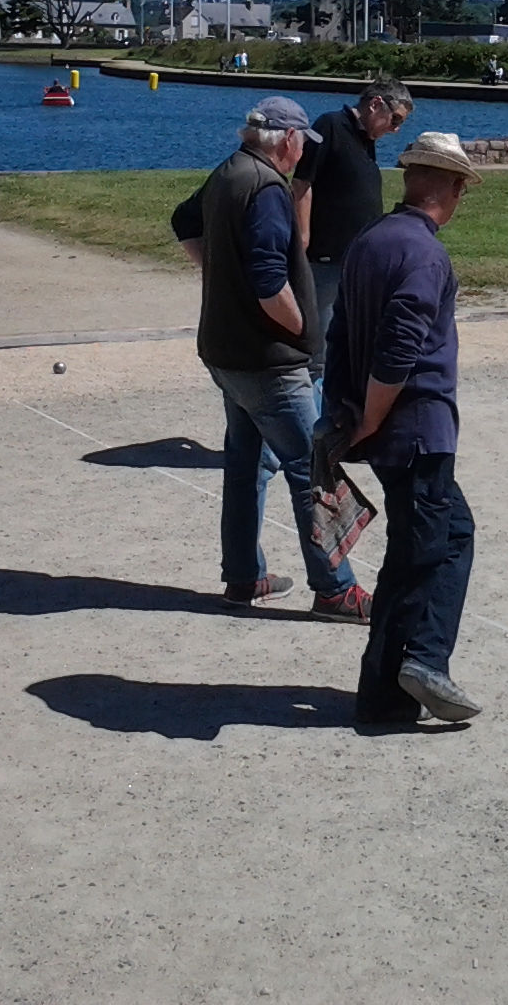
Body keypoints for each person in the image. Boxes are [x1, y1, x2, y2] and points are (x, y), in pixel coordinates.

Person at [171, 96, 372, 622]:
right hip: (266, 362)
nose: (304, 150)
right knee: (314, 472)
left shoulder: (226, 173)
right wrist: (305, 328)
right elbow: (267, 283)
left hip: (226, 353)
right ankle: (335, 590)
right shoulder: (264, 189)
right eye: (302, 140)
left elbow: (182, 220)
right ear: (286, 140)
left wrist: (217, 275)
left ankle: (243, 577)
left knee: (245, 465)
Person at [324, 131, 482, 725]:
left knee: (451, 533)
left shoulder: (372, 238)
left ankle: (420, 663)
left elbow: (339, 331)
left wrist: (343, 408)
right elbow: (397, 349)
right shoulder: (424, 254)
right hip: (415, 429)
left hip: (393, 429)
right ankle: (398, 683)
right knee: (418, 556)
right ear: (455, 188)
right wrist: (367, 415)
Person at [293, 77, 414, 374]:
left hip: (357, 260)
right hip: (326, 256)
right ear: (375, 104)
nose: (395, 129)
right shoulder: (330, 126)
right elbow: (301, 182)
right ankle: (313, 414)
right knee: (318, 350)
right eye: (395, 118)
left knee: (352, 341)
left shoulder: (365, 140)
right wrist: (303, 236)